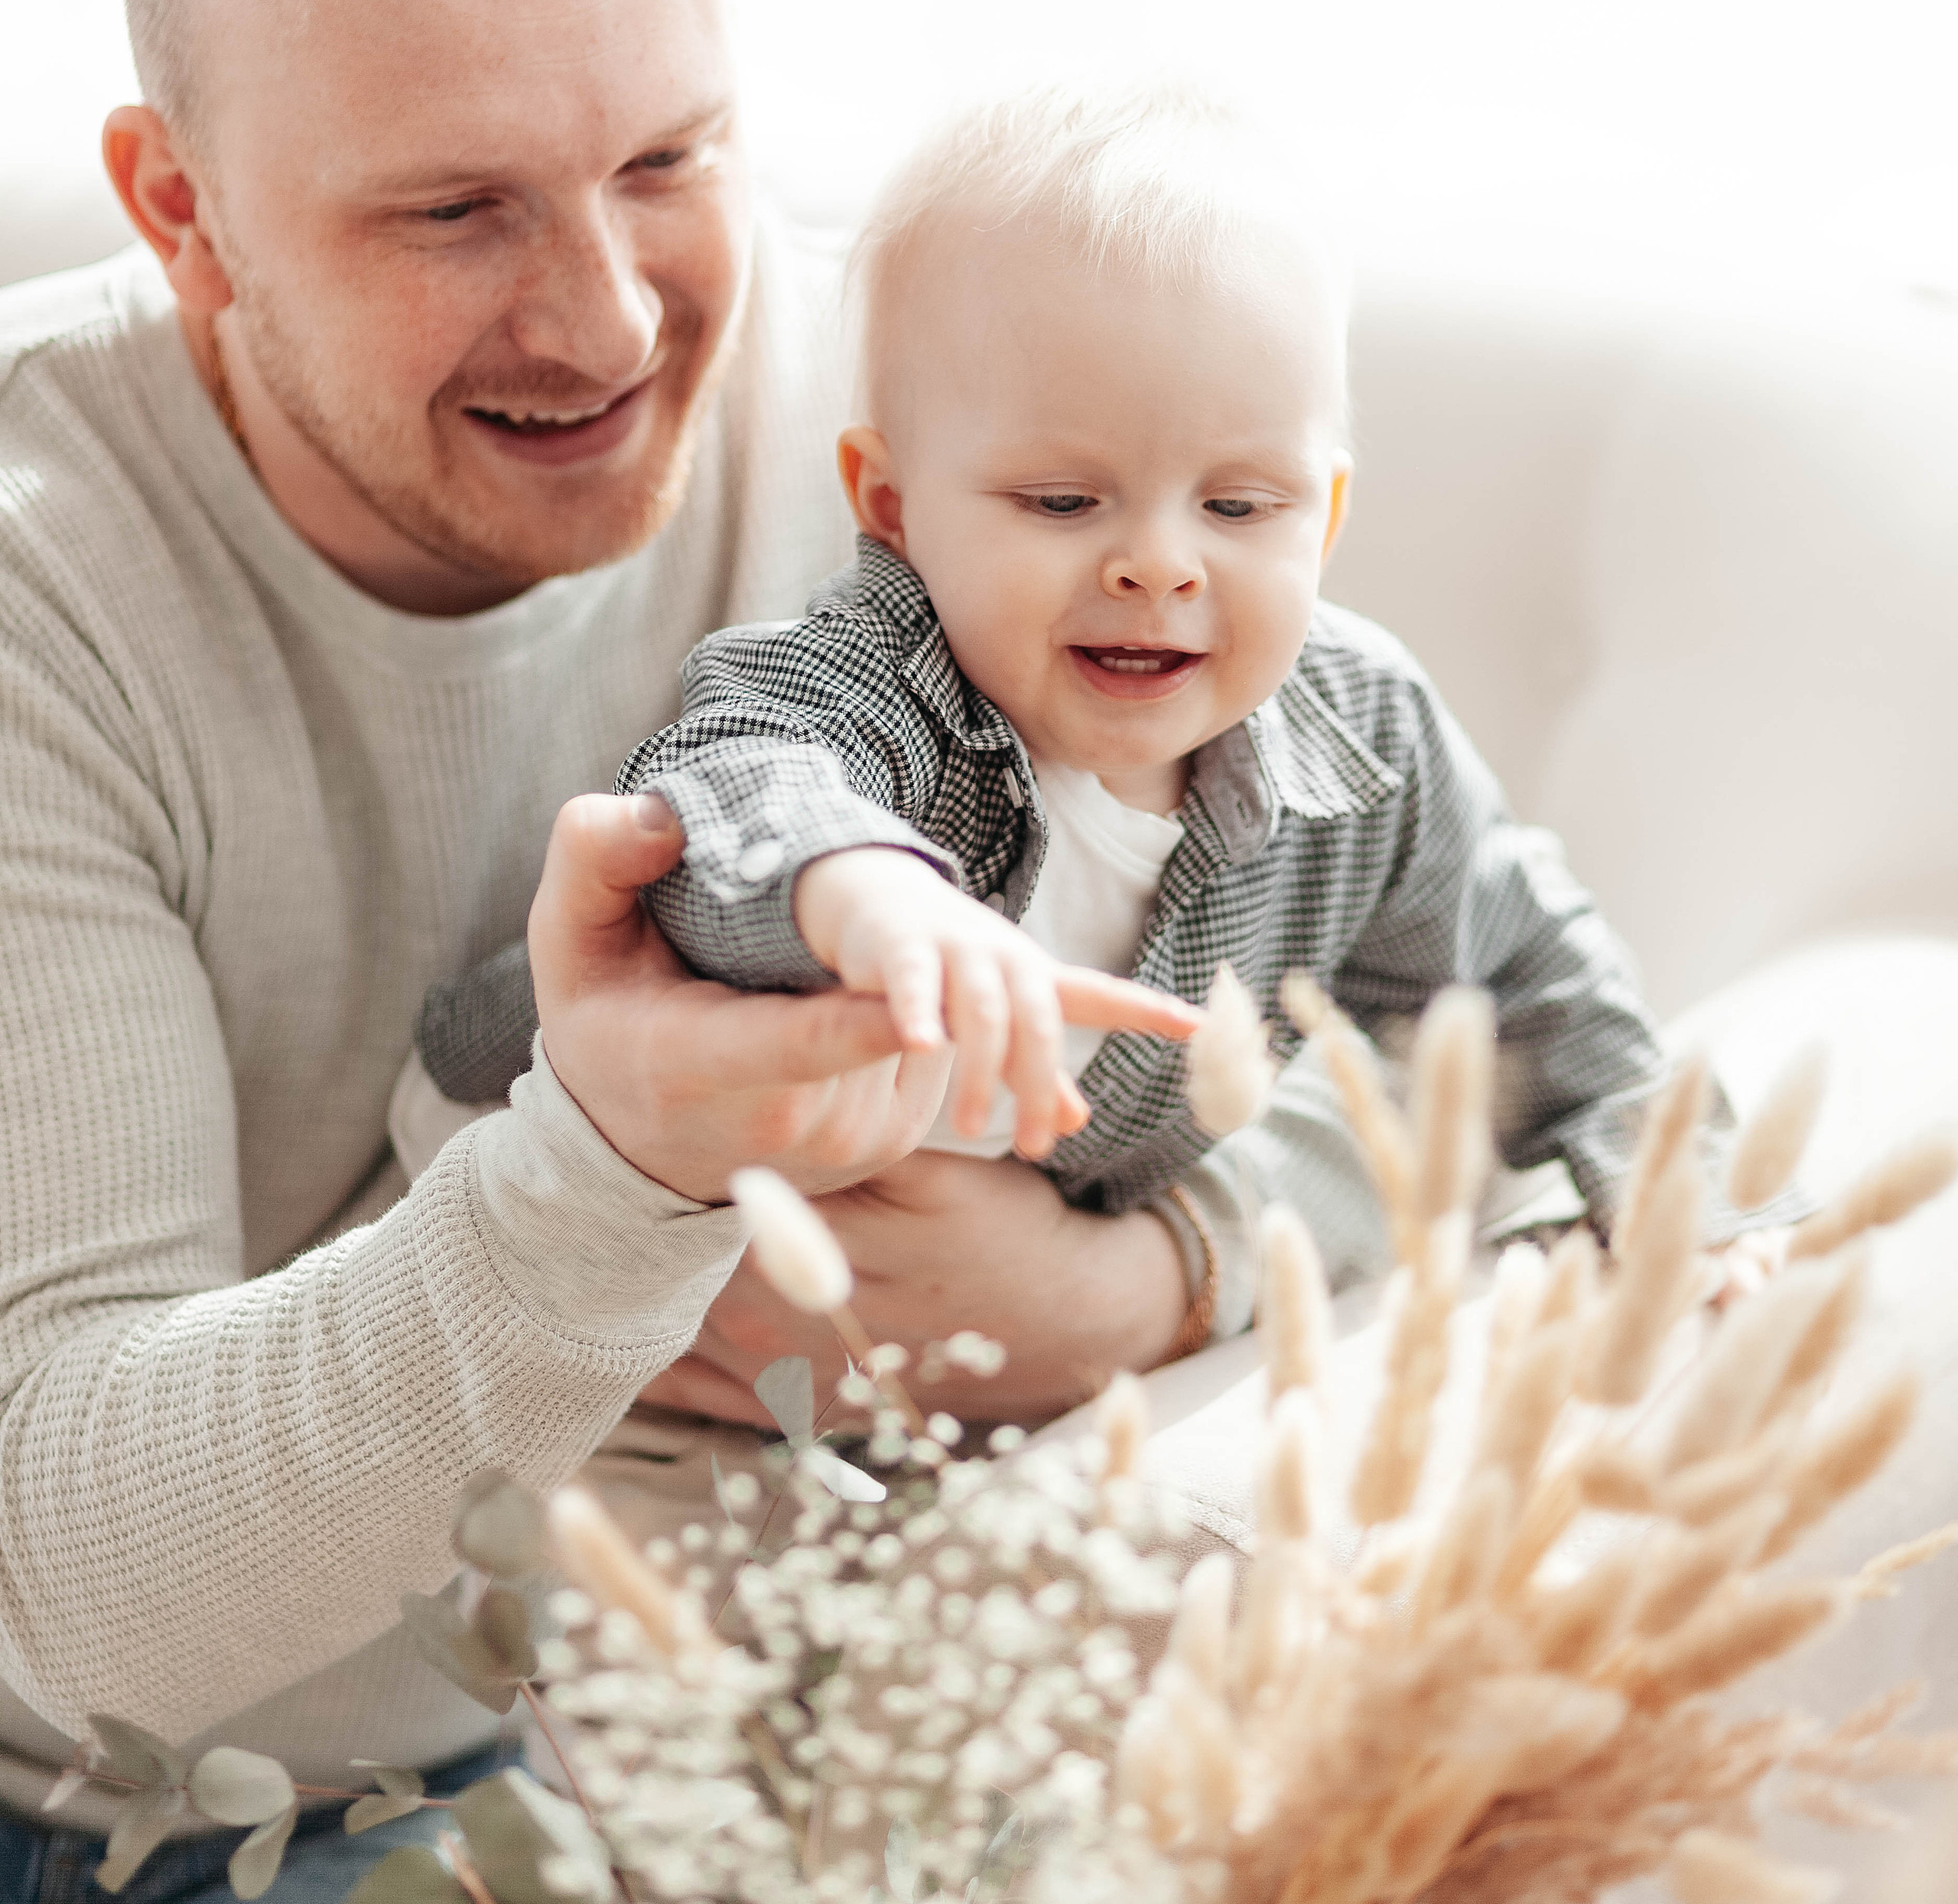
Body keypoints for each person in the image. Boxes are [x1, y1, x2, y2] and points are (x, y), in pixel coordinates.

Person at [0, 0, 1193, 1904]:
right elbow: (79, 1588)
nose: (614, 311)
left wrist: (1121, 1299)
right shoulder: (45, 588)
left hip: (535, 1824)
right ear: (184, 206)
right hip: (68, 1801)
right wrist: (609, 1180)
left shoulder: (914, 433)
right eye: (453, 210)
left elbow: (1461, 1046)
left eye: (670, 158)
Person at [424, 86, 1673, 1290]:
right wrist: (867, 897)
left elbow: (1531, 971)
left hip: (907, 1332)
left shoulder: (1366, 738)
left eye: (1240, 505)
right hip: (528, 1212)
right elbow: (733, 779)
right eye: (1064, 503)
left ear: (1327, 514)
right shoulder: (879, 682)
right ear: (894, 509)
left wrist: (1685, 1201)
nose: (1158, 565)